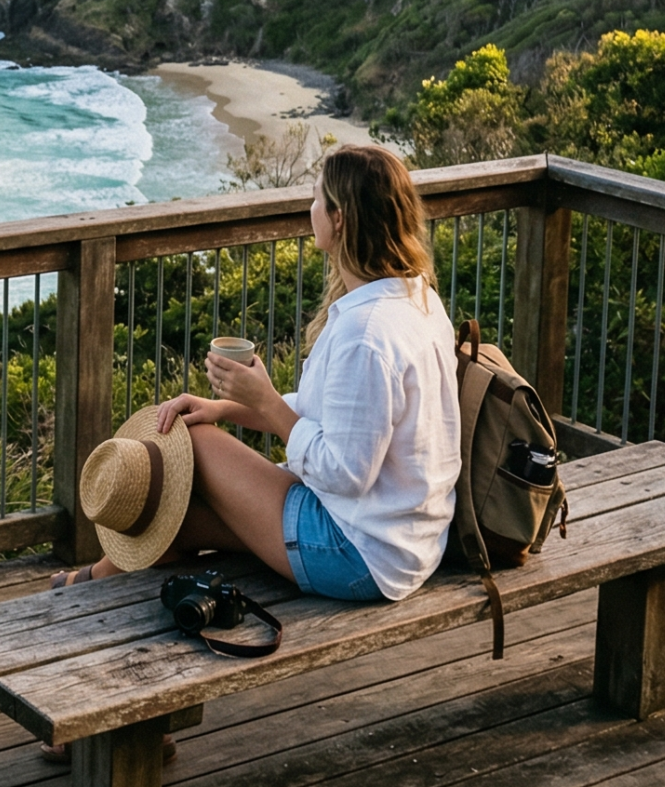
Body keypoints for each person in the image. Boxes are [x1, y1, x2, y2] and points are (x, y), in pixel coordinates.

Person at [55, 143, 462, 603]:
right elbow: (330, 421)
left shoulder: (366, 335)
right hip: (408, 541)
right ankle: (98, 579)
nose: (310, 209)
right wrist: (228, 406)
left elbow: (345, 472)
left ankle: (85, 586)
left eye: (315, 198)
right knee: (182, 515)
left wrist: (264, 399)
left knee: (198, 443)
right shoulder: (416, 300)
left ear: (340, 218)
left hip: (357, 553)